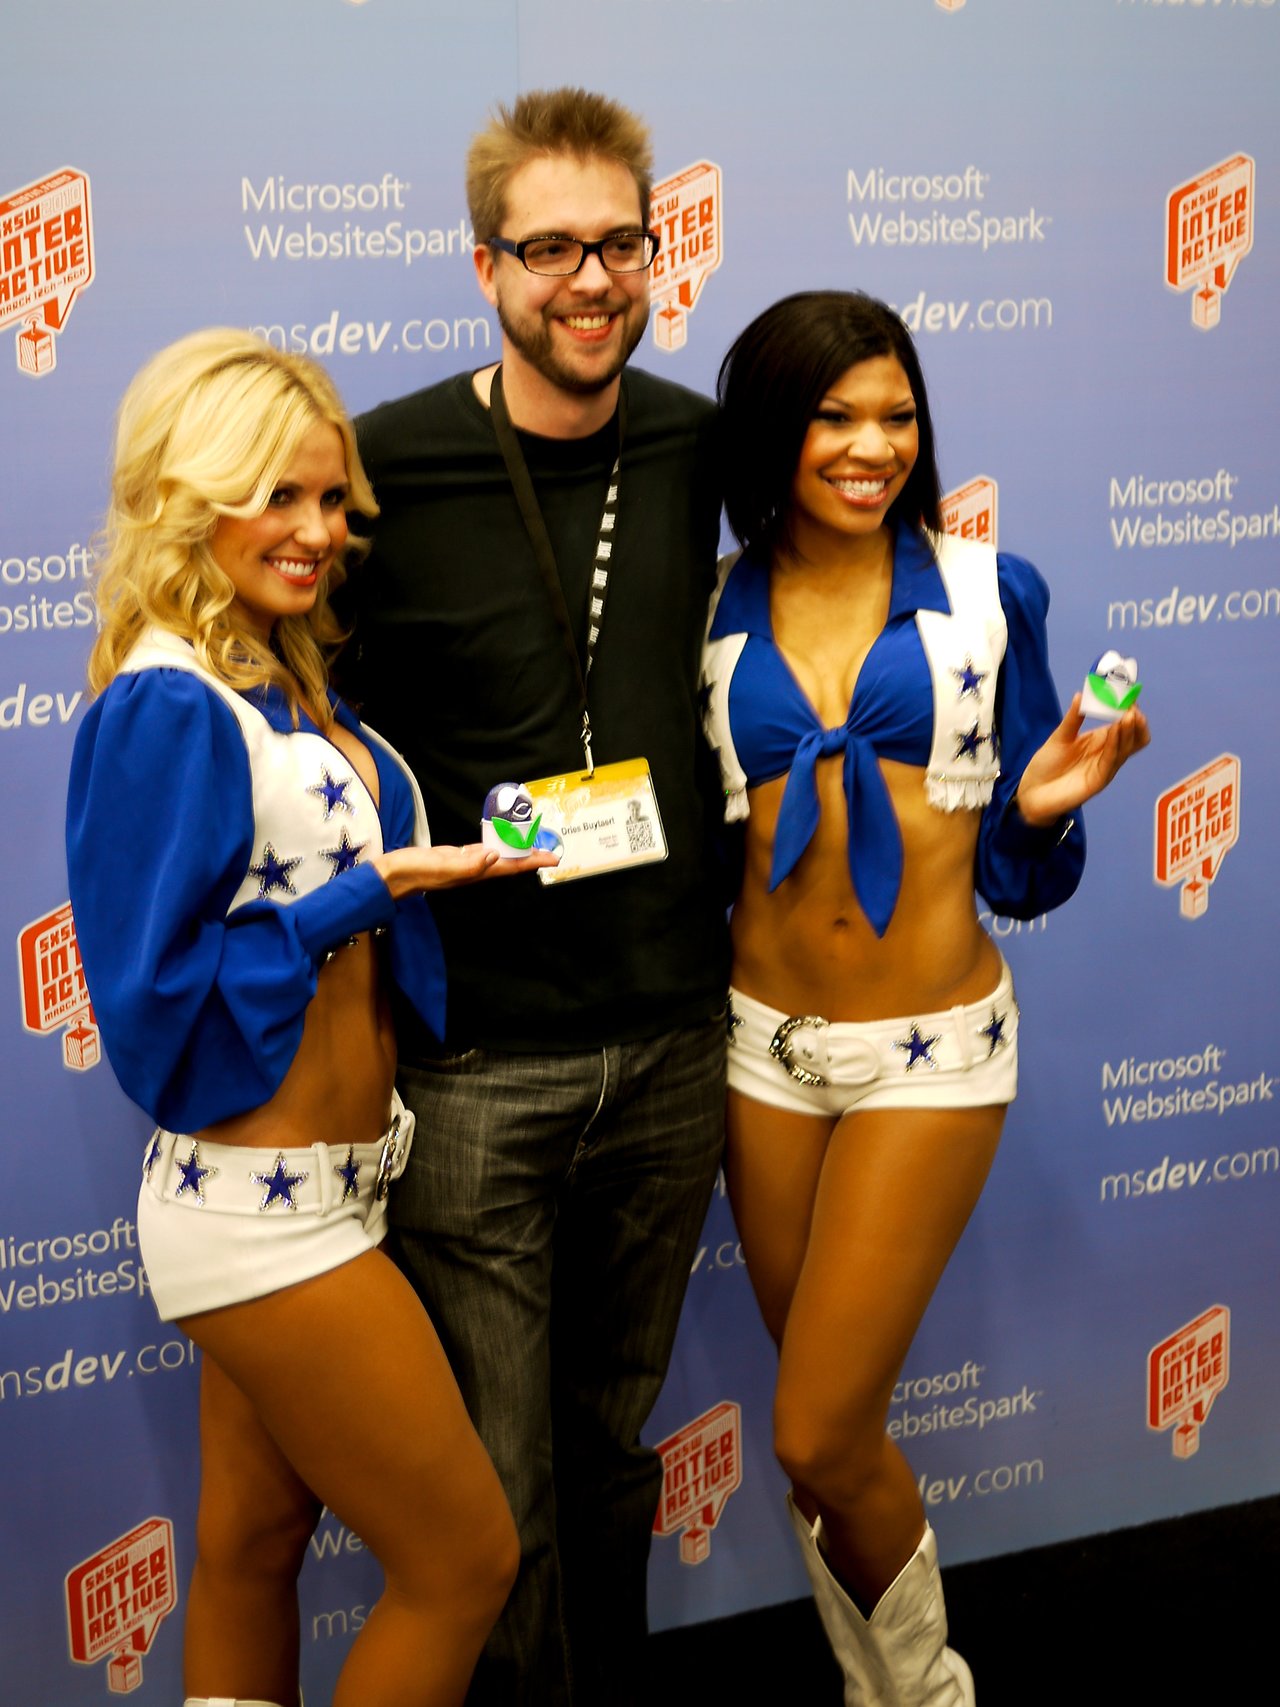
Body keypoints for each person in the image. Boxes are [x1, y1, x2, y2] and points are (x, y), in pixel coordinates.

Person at [65, 329, 556, 1707]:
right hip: (253, 1211)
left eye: (333, 500)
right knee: (464, 1562)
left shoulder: (279, 676)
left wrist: (438, 869)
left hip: (334, 1194)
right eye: (277, 496)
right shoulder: (167, 703)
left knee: (252, 1545)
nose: (319, 531)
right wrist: (365, 894)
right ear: (188, 493)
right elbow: (153, 1007)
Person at [340, 88, 731, 1706]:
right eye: (549, 248)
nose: (590, 280)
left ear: (658, 251)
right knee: (493, 1497)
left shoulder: (706, 444)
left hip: (670, 1040)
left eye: (619, 244)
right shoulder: (378, 467)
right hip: (479, 1064)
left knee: (611, 1447)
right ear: (484, 262)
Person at [704, 292, 1149, 1704]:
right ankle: (875, 1685)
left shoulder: (985, 591)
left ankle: (929, 1695)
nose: (870, 445)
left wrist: (1040, 807)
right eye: (835, 416)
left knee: (818, 1433)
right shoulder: (706, 605)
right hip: (762, 1053)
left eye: (897, 416)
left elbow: (1018, 862)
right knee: (818, 1429)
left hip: (931, 1051)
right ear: (775, 429)